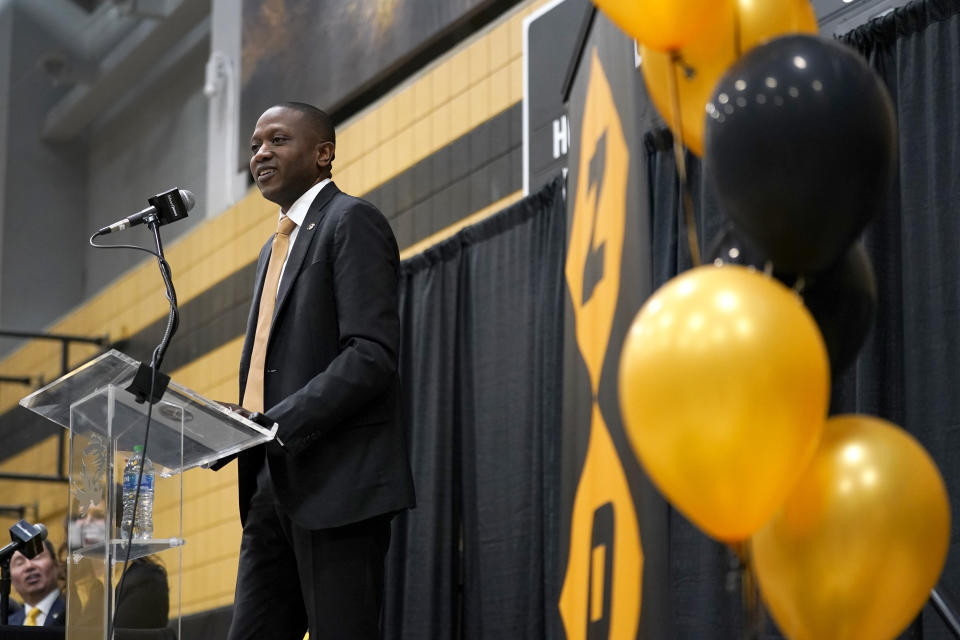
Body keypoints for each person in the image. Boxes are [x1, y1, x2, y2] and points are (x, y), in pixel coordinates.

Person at [214, 101, 415, 640]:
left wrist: (275, 423)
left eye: (277, 141)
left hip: (337, 482)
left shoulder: (352, 221)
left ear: (323, 154)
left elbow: (370, 354)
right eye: (255, 144)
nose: (260, 154)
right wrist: (239, 425)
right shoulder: (270, 249)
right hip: (267, 481)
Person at [8, 539, 66, 626]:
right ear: (10, 579)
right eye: (19, 563)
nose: (29, 566)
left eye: (36, 557)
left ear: (56, 565)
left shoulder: (74, 612)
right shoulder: (7, 625)